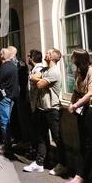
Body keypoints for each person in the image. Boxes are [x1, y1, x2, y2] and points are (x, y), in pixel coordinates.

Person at [23, 48, 67, 176]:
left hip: (52, 109)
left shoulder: (54, 72)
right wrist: (36, 77)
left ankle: (63, 165)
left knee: (57, 138)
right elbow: (35, 78)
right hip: (42, 108)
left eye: (48, 53)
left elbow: (39, 84)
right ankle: (39, 163)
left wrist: (36, 78)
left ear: (53, 57)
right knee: (42, 137)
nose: (45, 54)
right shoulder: (46, 70)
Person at [63, 49, 92, 183]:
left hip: (89, 110)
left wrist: (76, 104)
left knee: (89, 145)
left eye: (73, 58)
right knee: (83, 144)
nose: (72, 60)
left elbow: (91, 93)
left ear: (80, 59)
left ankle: (81, 177)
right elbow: (75, 90)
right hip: (80, 110)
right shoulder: (79, 72)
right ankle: (79, 176)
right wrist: (71, 104)